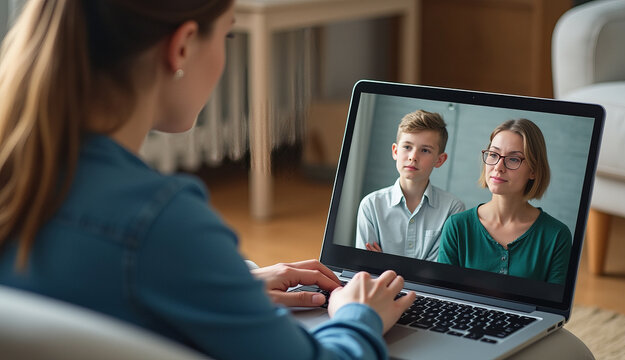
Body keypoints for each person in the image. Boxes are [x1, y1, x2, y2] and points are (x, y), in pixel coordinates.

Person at [0, 1, 416, 359]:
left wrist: (226, 287)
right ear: (181, 47)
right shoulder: (164, 224)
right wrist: (359, 315)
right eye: (228, 37)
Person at [437, 119, 572, 284]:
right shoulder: (457, 226)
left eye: (513, 159)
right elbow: (445, 294)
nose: (498, 167)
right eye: (493, 154)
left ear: (534, 171)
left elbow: (553, 307)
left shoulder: (556, 235)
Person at [355, 110, 465, 261]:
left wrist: (383, 262)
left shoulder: (453, 209)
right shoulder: (371, 205)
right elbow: (366, 267)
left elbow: (438, 272)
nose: (413, 157)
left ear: (439, 160)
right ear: (395, 151)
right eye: (407, 147)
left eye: (425, 150)